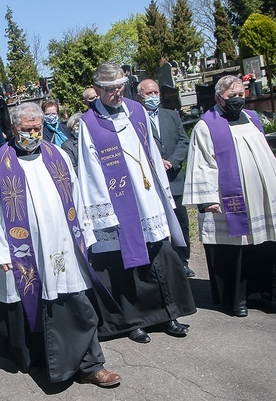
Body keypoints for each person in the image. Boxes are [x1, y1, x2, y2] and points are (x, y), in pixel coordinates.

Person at [0, 102, 121, 388]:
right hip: (22, 253)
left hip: (62, 243)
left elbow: (76, 194)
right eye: (26, 129)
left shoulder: (58, 155)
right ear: (12, 129)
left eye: (37, 129)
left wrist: (85, 234)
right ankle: (41, 360)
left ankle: (91, 364)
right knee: (33, 300)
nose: (32, 134)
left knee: (76, 300)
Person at [78, 61, 196, 344]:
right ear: (97, 89)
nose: (117, 92)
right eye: (110, 89)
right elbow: (89, 170)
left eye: (120, 86)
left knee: (159, 254)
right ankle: (133, 322)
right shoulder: (89, 123)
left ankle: (169, 314)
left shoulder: (138, 110)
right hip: (118, 203)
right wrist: (104, 213)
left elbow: (152, 153)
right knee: (123, 263)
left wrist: (162, 193)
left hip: (147, 197)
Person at [183, 75, 276, 317]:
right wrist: (207, 198)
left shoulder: (253, 118)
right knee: (236, 248)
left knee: (275, 243)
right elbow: (202, 164)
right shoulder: (206, 125)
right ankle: (236, 299)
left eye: (240, 95)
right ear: (218, 98)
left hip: (264, 195)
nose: (237, 100)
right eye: (231, 97)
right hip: (229, 198)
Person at [137, 79, 195, 278]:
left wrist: (172, 161)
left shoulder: (171, 115)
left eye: (155, 93)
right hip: (151, 181)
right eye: (148, 94)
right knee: (157, 223)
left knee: (181, 221)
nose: (153, 97)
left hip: (173, 177)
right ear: (140, 97)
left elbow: (183, 140)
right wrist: (155, 162)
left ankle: (182, 260)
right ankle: (162, 263)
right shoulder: (135, 120)